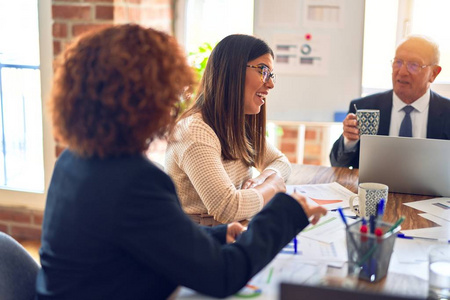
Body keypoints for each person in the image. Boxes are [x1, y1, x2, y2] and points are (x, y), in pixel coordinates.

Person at [36, 24, 327, 299]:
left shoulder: (75, 160)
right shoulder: (135, 181)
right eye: (167, 89)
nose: (173, 102)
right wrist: (286, 211)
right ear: (144, 98)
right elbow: (223, 275)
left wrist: (215, 235)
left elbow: (143, 234)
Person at [165, 34, 291, 225]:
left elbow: (280, 162)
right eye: (263, 71)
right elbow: (227, 208)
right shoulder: (195, 131)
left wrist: (263, 178)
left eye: (271, 74)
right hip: (201, 239)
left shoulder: (236, 123)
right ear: (232, 71)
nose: (271, 84)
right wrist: (272, 185)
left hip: (231, 230)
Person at [330, 34, 450, 168]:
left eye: (414, 65)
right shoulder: (365, 108)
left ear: (433, 73)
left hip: (431, 189)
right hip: (373, 187)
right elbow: (337, 164)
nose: (402, 71)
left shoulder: (447, 113)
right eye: (398, 62)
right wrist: (349, 140)